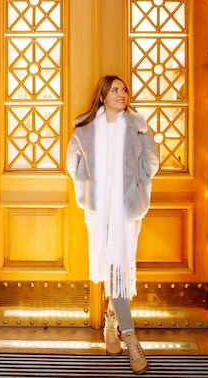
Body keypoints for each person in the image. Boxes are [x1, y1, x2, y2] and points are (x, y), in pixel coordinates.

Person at [66, 75, 159, 375]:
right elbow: (73, 164)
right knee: (114, 268)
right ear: (103, 96)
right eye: (115, 90)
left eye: (124, 89)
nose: (122, 94)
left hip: (127, 210)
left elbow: (152, 161)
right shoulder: (86, 129)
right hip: (100, 212)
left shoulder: (138, 126)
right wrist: (88, 186)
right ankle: (131, 340)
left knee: (118, 266)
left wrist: (138, 181)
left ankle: (110, 326)